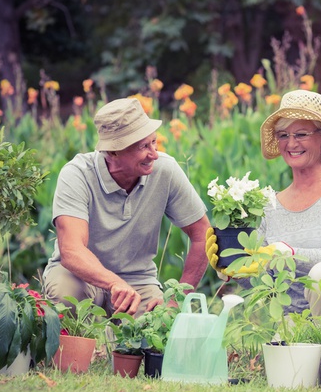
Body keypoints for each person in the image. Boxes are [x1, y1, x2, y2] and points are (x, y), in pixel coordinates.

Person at [207, 90, 321, 318]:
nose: (291, 143)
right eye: (283, 135)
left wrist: (288, 253)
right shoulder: (269, 205)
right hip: (299, 319)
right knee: (284, 338)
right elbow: (264, 282)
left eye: (301, 134)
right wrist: (232, 268)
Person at [43, 97, 211, 317]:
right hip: (80, 277)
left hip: (139, 282)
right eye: (143, 146)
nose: (153, 154)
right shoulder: (77, 174)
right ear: (113, 152)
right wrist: (114, 283)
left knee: (158, 327)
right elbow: (71, 251)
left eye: (154, 142)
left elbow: (203, 235)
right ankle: (75, 351)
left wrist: (177, 301)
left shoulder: (165, 170)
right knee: (66, 297)